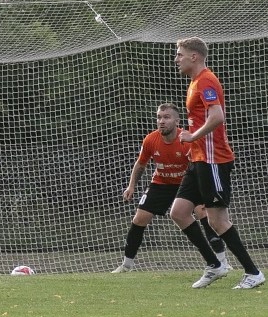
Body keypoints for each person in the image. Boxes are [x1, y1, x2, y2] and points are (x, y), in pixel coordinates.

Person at [169, 37, 264, 289]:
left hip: (213, 160)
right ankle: (216, 265)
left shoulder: (207, 80)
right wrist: (193, 146)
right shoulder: (194, 82)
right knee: (178, 212)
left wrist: (192, 137)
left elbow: (217, 116)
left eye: (179, 54)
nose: (176, 59)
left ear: (194, 57)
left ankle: (253, 273)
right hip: (198, 158)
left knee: (217, 220)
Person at [113, 103, 228, 273]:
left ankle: (221, 260)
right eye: (159, 117)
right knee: (139, 219)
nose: (161, 121)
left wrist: (204, 191)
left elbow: (199, 166)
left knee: (204, 214)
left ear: (177, 121)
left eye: (166, 117)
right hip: (161, 183)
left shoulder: (186, 139)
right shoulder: (150, 140)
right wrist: (131, 186)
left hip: (187, 184)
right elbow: (141, 164)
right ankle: (126, 265)